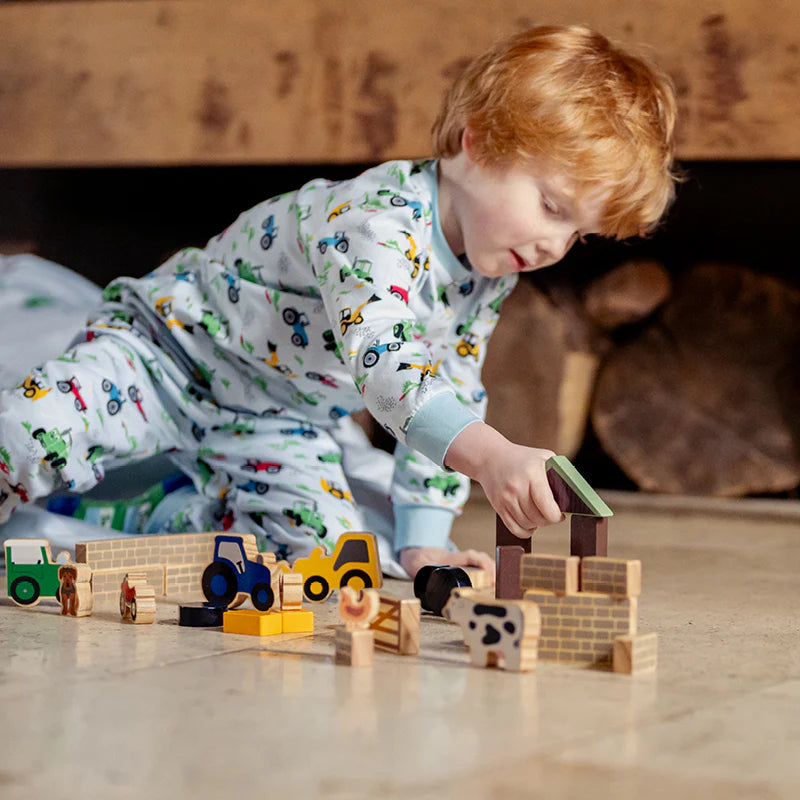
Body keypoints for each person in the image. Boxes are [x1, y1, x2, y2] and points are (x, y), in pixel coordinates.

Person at [0, 24, 677, 580]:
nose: (555, 244)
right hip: (166, 358)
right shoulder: (374, 220)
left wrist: (423, 542)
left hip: (276, 418)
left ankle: (141, 510)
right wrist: (492, 456)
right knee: (32, 433)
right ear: (476, 142)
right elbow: (390, 367)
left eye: (578, 232)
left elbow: (453, 388)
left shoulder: (484, 274)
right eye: (551, 206)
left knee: (322, 558)